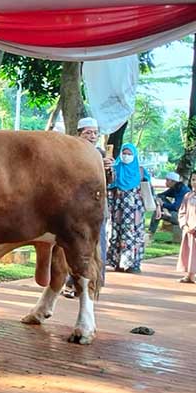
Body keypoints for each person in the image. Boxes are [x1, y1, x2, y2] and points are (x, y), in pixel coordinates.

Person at [63, 118, 113, 297]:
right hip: (74, 208)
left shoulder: (100, 154)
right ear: (79, 134)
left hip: (96, 208)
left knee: (96, 245)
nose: (92, 136)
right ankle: (71, 284)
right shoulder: (71, 153)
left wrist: (107, 170)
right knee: (72, 245)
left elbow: (107, 184)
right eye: (88, 132)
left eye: (95, 133)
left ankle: (93, 284)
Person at [107, 143, 150, 273]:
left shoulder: (141, 171)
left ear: (134, 155)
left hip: (135, 211)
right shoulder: (115, 169)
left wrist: (157, 206)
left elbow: (148, 190)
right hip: (118, 209)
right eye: (124, 153)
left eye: (130, 154)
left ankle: (133, 264)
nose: (126, 156)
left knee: (134, 235)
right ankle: (118, 262)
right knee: (116, 234)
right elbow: (109, 188)